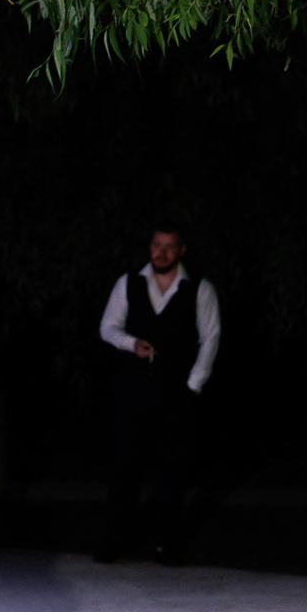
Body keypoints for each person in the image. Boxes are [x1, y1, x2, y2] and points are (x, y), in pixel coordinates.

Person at [96, 220, 221, 565]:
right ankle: (115, 540)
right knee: (126, 466)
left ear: (181, 250)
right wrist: (130, 343)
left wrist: (193, 385)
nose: (161, 253)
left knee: (172, 469)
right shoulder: (129, 283)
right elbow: (108, 326)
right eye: (156, 245)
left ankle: (166, 544)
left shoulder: (199, 288)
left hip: (175, 392)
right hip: (134, 390)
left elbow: (210, 338)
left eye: (169, 247)